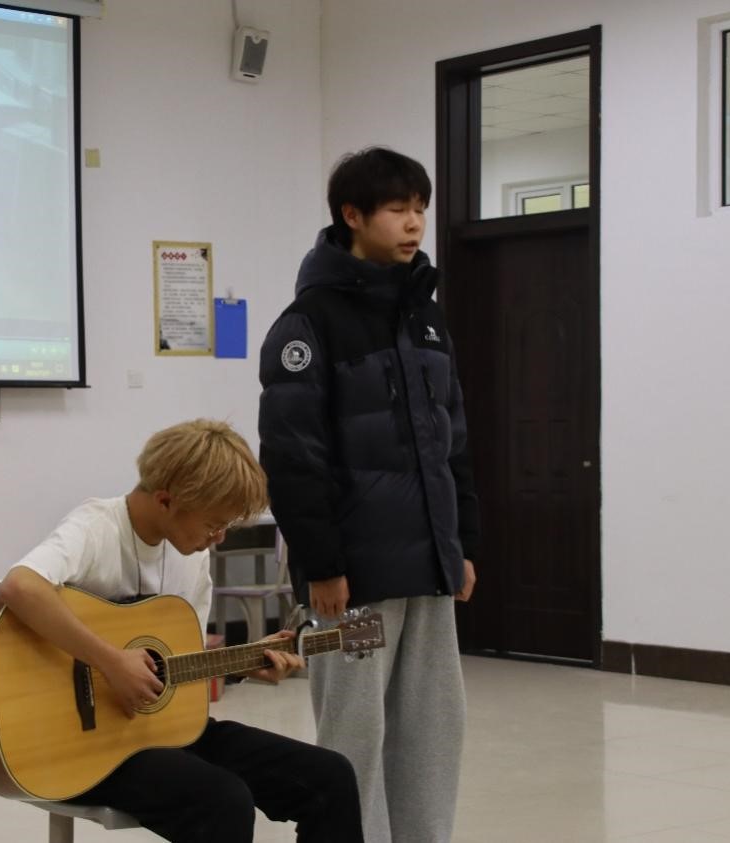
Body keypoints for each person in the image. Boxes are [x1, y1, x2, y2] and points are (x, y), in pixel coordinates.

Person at [0, 419, 364, 843]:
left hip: (162, 732)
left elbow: (176, 665)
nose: (218, 538)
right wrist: (111, 662)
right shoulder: (96, 527)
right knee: (223, 799)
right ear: (166, 500)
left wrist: (239, 665)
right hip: (80, 748)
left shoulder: (192, 555)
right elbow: (20, 586)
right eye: (212, 525)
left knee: (330, 776)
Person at [258, 147, 482, 843]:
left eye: (420, 209)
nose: (414, 223)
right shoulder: (307, 323)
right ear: (351, 216)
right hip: (351, 579)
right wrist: (322, 564)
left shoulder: (427, 318)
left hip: (428, 568)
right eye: (397, 209)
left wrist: (461, 546)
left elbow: (453, 445)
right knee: (352, 739)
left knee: (432, 734)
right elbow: (292, 457)